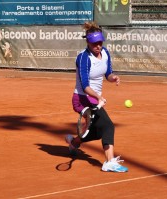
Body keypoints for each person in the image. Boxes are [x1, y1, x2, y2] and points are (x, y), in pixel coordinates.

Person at [65, 21, 128, 172]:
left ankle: (74, 142)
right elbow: (85, 85)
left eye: (100, 42)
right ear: (87, 42)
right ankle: (109, 161)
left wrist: (113, 78)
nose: (98, 46)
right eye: (94, 43)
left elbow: (108, 73)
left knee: (97, 131)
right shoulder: (83, 58)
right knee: (108, 125)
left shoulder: (105, 53)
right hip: (82, 99)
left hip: (95, 99)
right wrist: (98, 97)